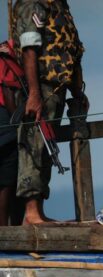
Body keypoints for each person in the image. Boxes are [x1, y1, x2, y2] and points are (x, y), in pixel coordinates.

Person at [12, 0, 86, 224]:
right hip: (40, 86)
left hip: (57, 88)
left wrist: (78, 93)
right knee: (34, 143)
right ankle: (32, 212)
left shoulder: (61, 6)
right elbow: (29, 47)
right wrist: (34, 93)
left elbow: (72, 51)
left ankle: (39, 211)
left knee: (47, 148)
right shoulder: (34, 2)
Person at [0, 40, 23, 226]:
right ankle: (7, 231)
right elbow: (8, 90)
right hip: (5, 120)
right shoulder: (10, 56)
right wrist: (19, 121)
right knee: (8, 178)